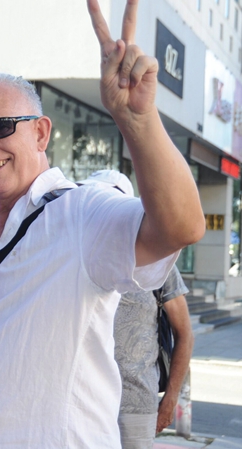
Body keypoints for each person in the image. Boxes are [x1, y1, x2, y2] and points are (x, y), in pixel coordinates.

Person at [0, 0, 205, 448]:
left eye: (0, 127)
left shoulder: (79, 213)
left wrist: (137, 121)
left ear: (41, 133)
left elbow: (182, 227)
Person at [79, 170, 194, 448]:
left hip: (134, 404)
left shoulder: (158, 262)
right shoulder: (76, 256)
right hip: (82, 400)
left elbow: (185, 334)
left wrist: (170, 398)